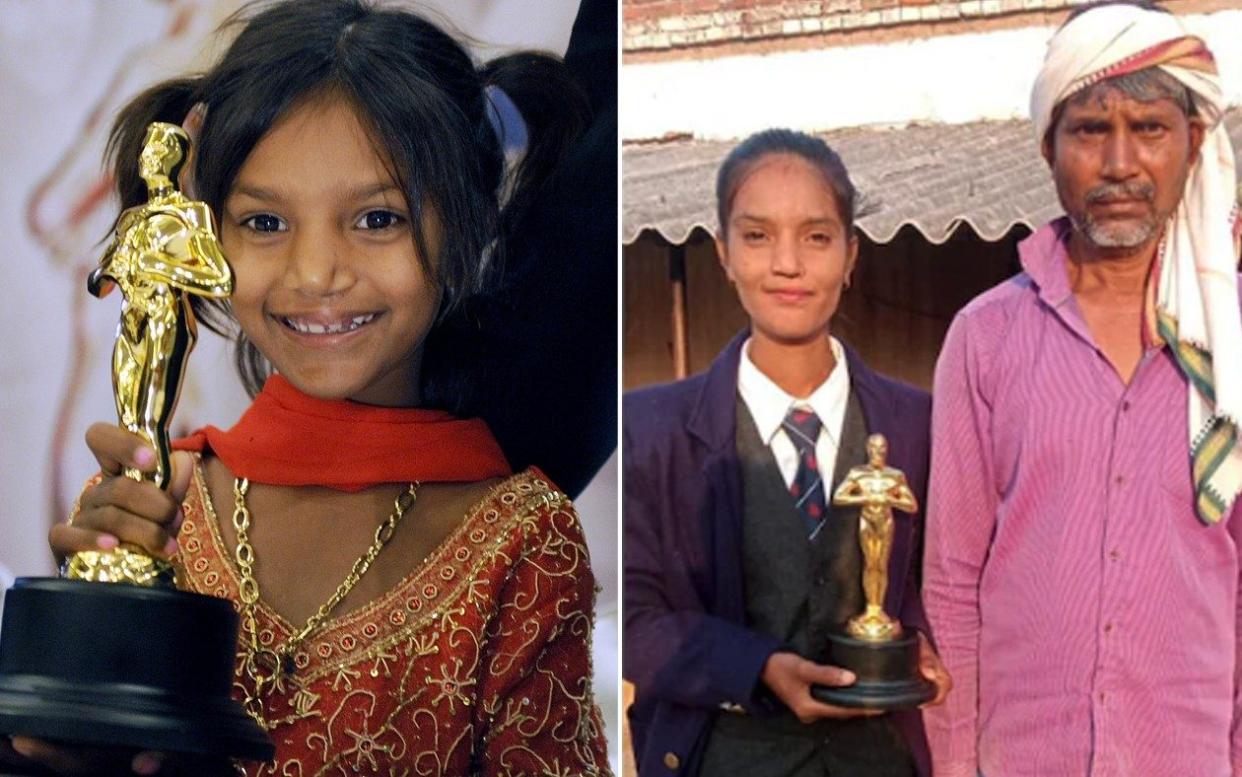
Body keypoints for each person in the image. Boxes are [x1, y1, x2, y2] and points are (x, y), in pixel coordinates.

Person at [3, 1, 610, 774]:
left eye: (377, 217)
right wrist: (66, 680)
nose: (316, 271)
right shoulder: (154, 511)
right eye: (264, 223)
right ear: (207, 229)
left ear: (465, 222)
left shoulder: (520, 544)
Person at [922, 2, 1242, 775]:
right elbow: (953, 580)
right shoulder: (986, 335)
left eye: (1151, 128)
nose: (1121, 162)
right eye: (1092, 129)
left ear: (1194, 142)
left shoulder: (1230, 341)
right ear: (1049, 147)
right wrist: (959, 764)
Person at [623, 129, 950, 777]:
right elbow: (627, 617)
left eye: (817, 237)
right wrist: (755, 665)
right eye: (757, 235)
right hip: (725, 754)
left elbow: (939, 581)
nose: (787, 264)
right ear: (722, 252)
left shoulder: (920, 422)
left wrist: (926, 646)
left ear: (852, 255)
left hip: (879, 760)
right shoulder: (650, 429)